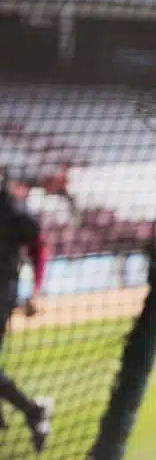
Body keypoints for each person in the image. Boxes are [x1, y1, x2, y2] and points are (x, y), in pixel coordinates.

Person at [0, 172, 53, 452]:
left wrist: (36, 291)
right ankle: (33, 411)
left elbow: (38, 245)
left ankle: (33, 411)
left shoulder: (12, 208)